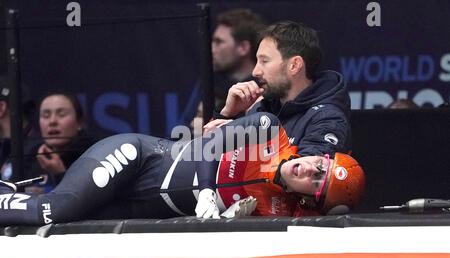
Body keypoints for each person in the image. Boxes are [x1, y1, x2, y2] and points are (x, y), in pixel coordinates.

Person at [0, 112, 365, 226]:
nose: (309, 170)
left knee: (69, 225)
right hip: (139, 158)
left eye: (318, 182)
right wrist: (208, 190)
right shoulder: (270, 128)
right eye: (320, 164)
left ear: (311, 202)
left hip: (142, 207)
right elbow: (210, 146)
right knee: (53, 210)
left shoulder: (282, 215)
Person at [205, 21, 352, 158]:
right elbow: (210, 162)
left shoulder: (328, 118)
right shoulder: (261, 109)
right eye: (257, 61)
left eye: (264, 61)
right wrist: (228, 114)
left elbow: (304, 177)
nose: (255, 71)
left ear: (294, 65)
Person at [22, 92, 98, 192]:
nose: (52, 121)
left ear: (79, 122)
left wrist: (59, 174)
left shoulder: (95, 156)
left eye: (61, 114)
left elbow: (88, 203)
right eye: (46, 115)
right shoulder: (31, 157)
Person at [211, 8, 266, 113]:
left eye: (219, 42)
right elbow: (186, 125)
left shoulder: (264, 90)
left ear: (243, 47)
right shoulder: (209, 83)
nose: (212, 49)